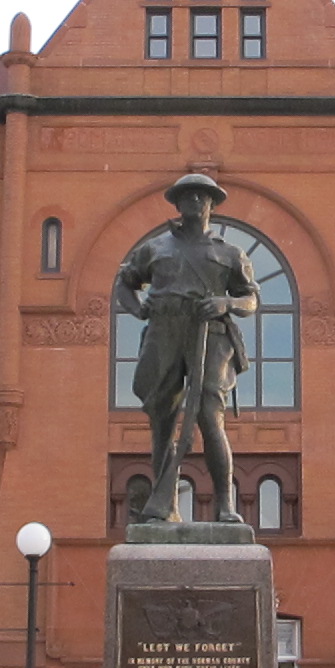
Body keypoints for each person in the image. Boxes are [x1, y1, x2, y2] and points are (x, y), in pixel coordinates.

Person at [113, 174, 258, 523]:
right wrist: (138, 309)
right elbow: (126, 283)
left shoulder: (230, 253)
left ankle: (224, 505)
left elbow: (251, 298)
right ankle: (167, 508)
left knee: (210, 416)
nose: (194, 200)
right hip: (164, 332)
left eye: (202, 196)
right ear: (176, 204)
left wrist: (226, 303)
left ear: (212, 204)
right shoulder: (155, 248)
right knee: (162, 419)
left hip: (211, 334)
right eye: (187, 196)